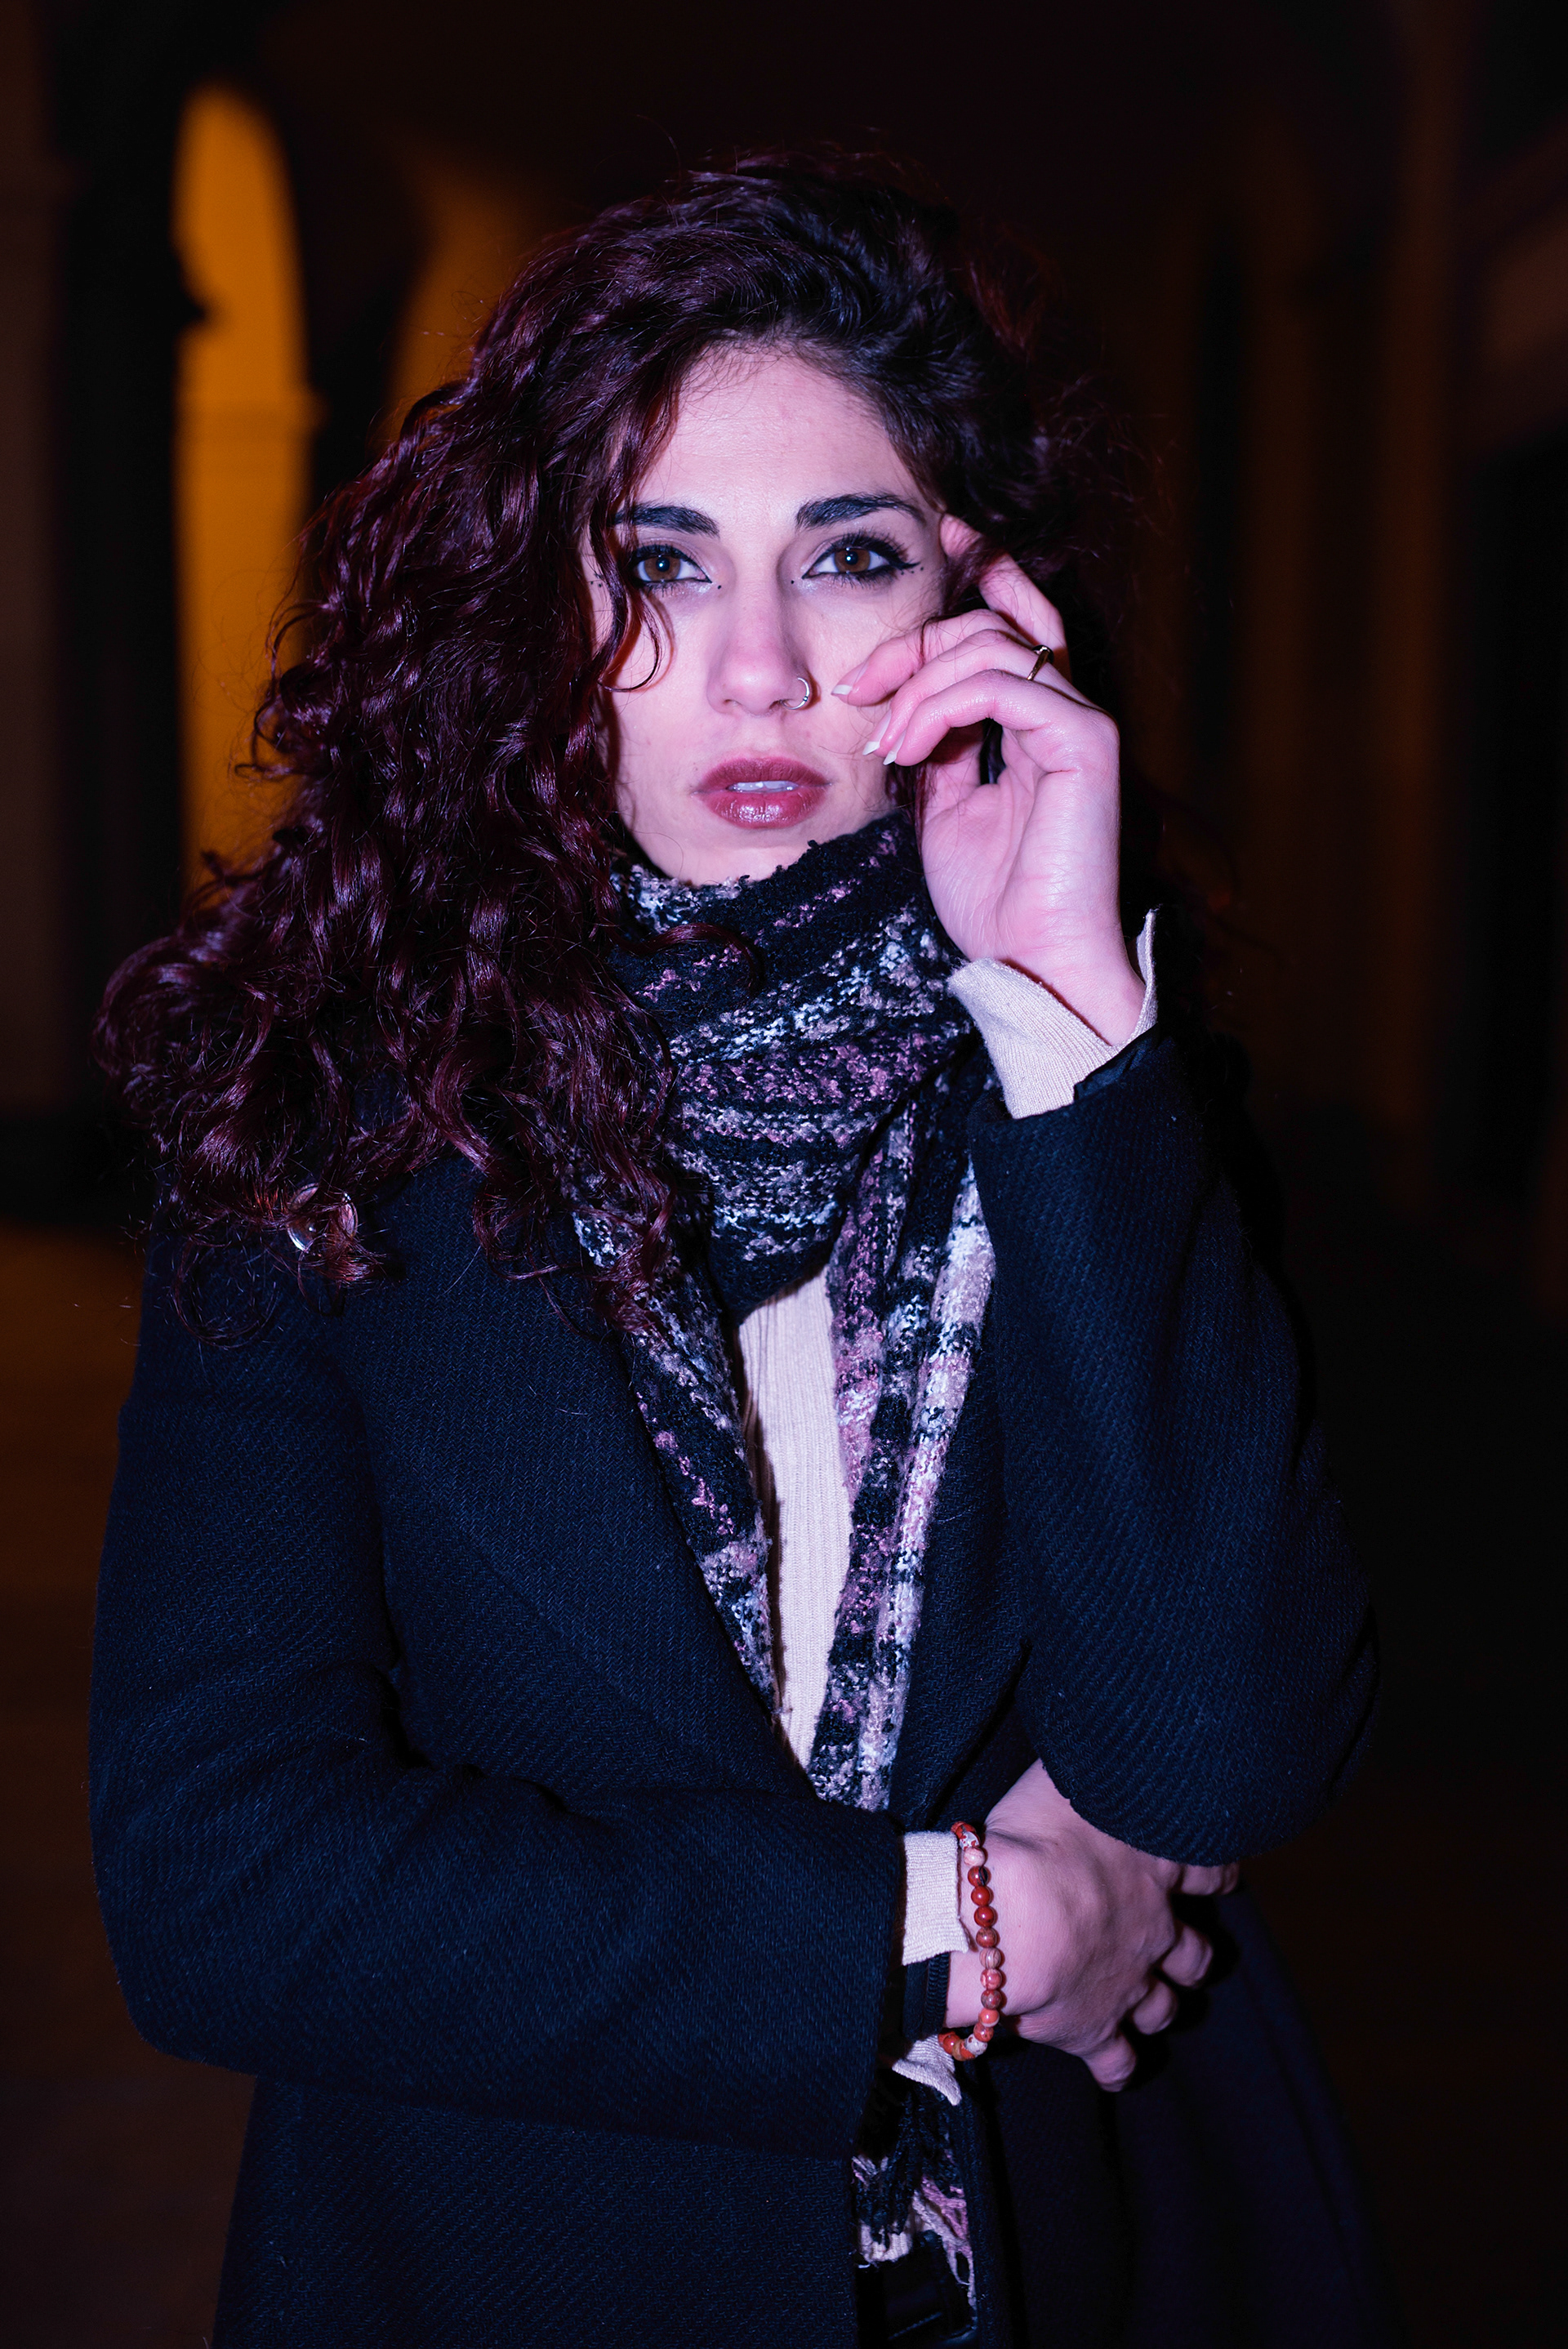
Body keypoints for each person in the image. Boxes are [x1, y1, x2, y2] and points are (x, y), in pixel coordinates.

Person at [91, 154, 1392, 2348]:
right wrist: (945, 1923)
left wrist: (1062, 1002)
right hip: (499, 2264)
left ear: (977, 596)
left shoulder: (1098, 1086)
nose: (763, 670)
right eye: (661, 564)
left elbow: (1226, 1752)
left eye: (850, 557)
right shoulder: (318, 1119)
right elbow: (222, 1879)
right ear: (539, 606)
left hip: (1050, 2261)